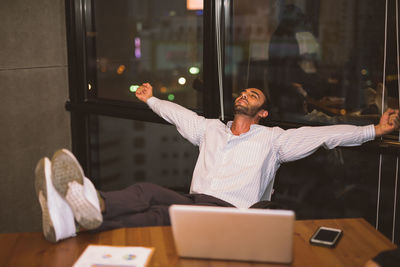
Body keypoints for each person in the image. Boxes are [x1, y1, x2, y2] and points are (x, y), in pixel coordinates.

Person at [35, 82, 400, 242]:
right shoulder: (210, 129)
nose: (244, 94)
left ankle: (81, 204)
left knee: (151, 197)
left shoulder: (274, 140)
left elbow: (326, 135)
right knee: (152, 213)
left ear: (263, 111)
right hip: (196, 205)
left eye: (252, 94)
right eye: (243, 92)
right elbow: (179, 115)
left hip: (233, 215)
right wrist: (150, 101)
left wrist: (374, 129)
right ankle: (76, 220)